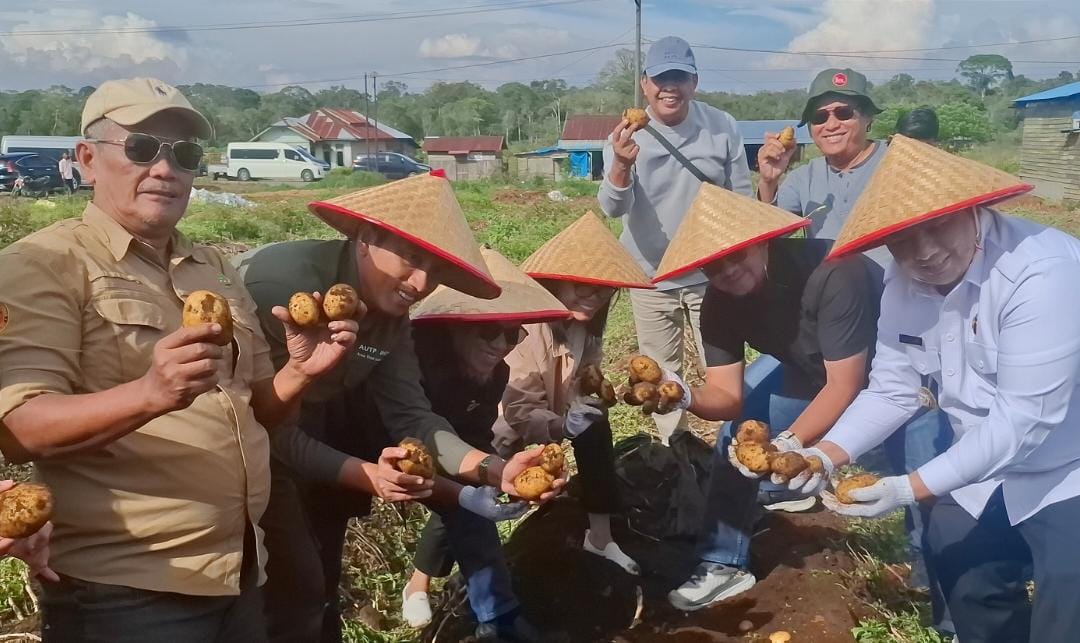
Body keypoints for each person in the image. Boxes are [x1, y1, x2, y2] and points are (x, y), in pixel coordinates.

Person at [0, 78, 359, 642]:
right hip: (127, 591)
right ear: (88, 160)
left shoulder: (213, 267)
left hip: (240, 570)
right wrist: (150, 394)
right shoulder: (43, 264)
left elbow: (258, 412)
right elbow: (21, 430)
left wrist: (299, 372)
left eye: (185, 154)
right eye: (142, 148)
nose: (165, 169)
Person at [235, 174, 562, 643]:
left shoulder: (392, 320)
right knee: (265, 593)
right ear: (367, 238)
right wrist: (368, 475)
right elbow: (262, 426)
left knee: (308, 589)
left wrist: (494, 471)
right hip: (230, 447)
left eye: (435, 269)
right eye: (411, 258)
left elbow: (411, 416)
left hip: (301, 446)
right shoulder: (284, 291)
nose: (422, 283)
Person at [786, 135, 1080, 643]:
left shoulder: (1040, 273)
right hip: (981, 465)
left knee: (1068, 601)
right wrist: (823, 457)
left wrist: (907, 488)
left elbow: (1023, 420)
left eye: (938, 225)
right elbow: (892, 390)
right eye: (902, 239)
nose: (924, 252)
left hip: (1067, 465)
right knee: (963, 565)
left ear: (972, 209)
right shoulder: (903, 285)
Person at [648, 182, 883, 610]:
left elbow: (845, 384)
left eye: (735, 254)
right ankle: (723, 563)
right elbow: (726, 395)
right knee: (736, 434)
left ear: (761, 241)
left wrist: (789, 443)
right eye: (712, 265)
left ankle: (931, 582)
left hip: (890, 375)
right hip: (807, 369)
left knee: (917, 458)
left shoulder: (834, 271)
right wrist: (685, 396)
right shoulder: (719, 301)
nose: (727, 271)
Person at [400, 247, 572, 641]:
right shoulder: (413, 363)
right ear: (456, 326)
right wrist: (464, 489)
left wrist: (492, 475)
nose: (501, 345)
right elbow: (404, 445)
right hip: (379, 451)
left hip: (449, 454)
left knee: (472, 511)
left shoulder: (495, 373)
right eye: (488, 330)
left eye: (512, 334)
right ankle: (424, 586)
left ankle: (498, 617)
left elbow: (474, 439)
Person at [598, 36, 753, 444]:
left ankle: (735, 445)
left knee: (723, 367)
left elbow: (741, 199)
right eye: (660, 78)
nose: (670, 87)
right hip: (650, 275)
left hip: (711, 274)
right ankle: (677, 448)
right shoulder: (624, 136)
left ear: (694, 82)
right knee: (661, 372)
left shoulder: (721, 126)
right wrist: (621, 165)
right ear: (645, 84)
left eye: (679, 78)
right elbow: (612, 208)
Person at [495, 211, 655, 576]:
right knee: (471, 491)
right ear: (555, 281)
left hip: (551, 418)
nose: (594, 297)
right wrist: (562, 425)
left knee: (596, 426)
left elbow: (586, 376)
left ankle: (600, 537)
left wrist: (597, 397)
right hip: (502, 425)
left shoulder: (584, 327)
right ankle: (420, 581)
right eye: (583, 286)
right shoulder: (526, 327)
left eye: (604, 289)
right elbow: (518, 406)